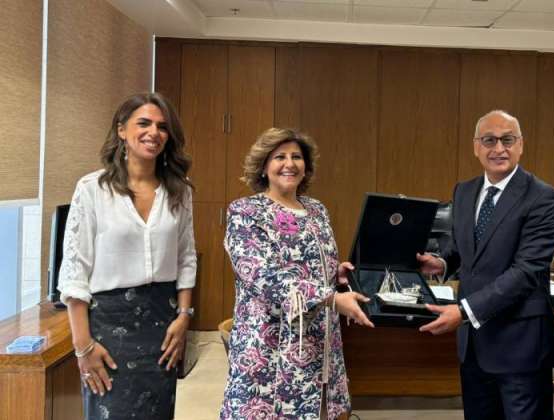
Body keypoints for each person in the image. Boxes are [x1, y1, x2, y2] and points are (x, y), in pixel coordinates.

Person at [417, 110, 554, 419]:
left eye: (507, 140)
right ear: (476, 146)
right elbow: (463, 249)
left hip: (521, 347)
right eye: (489, 140)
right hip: (474, 346)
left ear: (520, 145)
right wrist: (441, 263)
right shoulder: (464, 190)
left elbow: (526, 272)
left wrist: (464, 312)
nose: (499, 148)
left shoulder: (543, 197)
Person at [58, 92, 197, 419]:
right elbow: (75, 270)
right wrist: (83, 347)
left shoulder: (179, 190)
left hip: (163, 325)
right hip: (109, 325)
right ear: (121, 130)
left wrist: (184, 317)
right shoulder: (92, 189)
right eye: (144, 123)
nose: (154, 133)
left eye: (162, 127)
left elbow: (186, 257)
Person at [220, 128, 374, 420]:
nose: (289, 164)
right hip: (269, 344)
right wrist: (331, 298)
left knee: (319, 411)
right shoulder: (246, 212)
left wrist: (336, 274)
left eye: (297, 157)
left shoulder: (316, 210)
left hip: (319, 340)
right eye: (279, 157)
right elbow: (263, 276)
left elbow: (311, 264)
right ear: (264, 166)